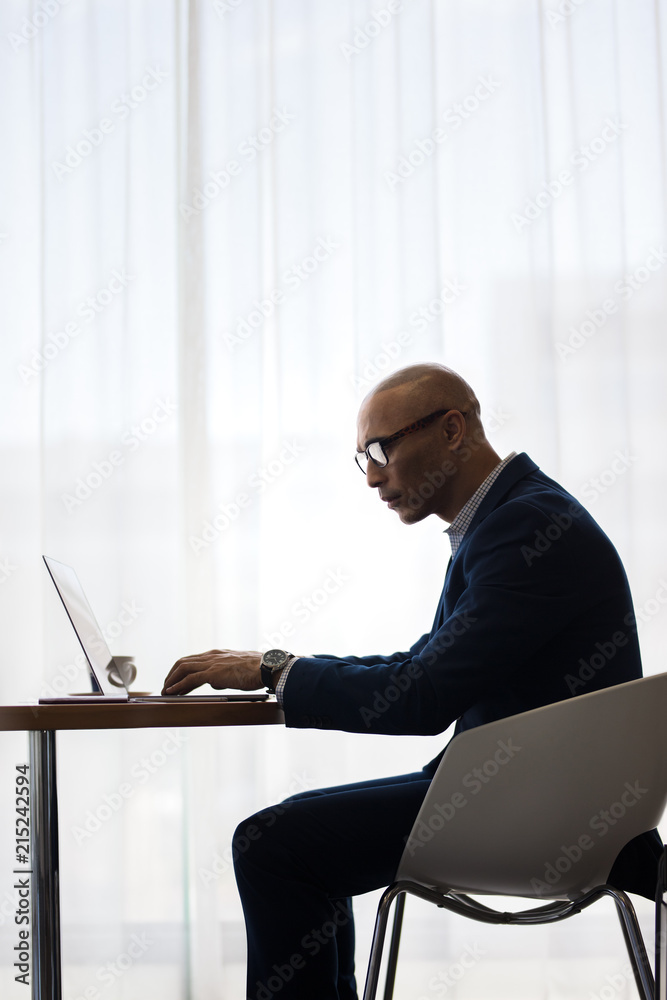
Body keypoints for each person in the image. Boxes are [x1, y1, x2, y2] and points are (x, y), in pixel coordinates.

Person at [162, 363, 662, 1000]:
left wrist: (272, 671)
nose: (372, 476)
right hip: (529, 799)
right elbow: (422, 664)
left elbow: (423, 696)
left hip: (541, 815)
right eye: (362, 458)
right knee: (289, 837)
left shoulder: (527, 528)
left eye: (382, 449)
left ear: (452, 430)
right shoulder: (507, 520)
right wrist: (275, 666)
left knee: (273, 846)